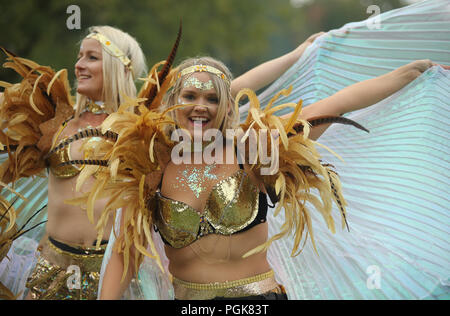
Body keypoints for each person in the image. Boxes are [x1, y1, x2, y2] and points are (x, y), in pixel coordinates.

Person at [74, 49, 437, 300]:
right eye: (190, 96)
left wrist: (412, 72)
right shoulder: (150, 168)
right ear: (173, 104)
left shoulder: (253, 151)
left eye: (212, 99)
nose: (201, 106)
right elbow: (124, 251)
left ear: (227, 107)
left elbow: (335, 105)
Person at [0, 25, 147, 300]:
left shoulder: (141, 131)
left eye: (92, 57)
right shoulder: (55, 122)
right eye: (79, 57)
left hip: (112, 280)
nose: (79, 65)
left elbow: (219, 93)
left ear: (119, 67)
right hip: (48, 276)